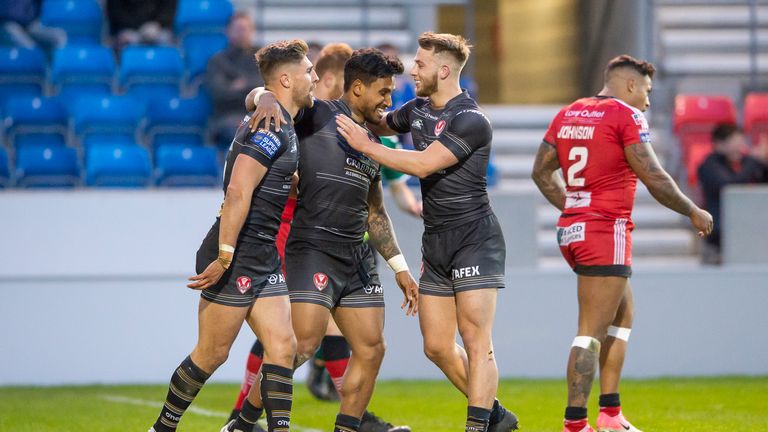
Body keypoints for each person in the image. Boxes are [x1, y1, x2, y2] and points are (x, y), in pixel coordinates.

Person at [227, 48, 419, 432]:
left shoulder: (371, 141)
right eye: (383, 92)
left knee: (372, 348)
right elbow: (273, 94)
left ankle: (347, 427)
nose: (388, 101)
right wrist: (259, 96)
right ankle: (243, 421)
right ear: (359, 87)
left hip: (358, 259)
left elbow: (375, 211)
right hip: (312, 250)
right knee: (300, 347)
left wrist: (400, 266)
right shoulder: (316, 113)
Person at [336, 32, 519, 432]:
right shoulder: (416, 109)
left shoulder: (471, 120)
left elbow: (422, 164)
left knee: (475, 340)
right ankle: (496, 415)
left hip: (474, 238)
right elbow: (374, 117)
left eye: (419, 64)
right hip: (436, 242)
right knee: (436, 346)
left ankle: (477, 426)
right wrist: (266, 96)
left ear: (443, 69)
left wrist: (367, 148)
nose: (412, 70)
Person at [530, 54, 713, 432]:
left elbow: (541, 172)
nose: (647, 101)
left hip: (575, 229)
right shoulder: (626, 116)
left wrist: (576, 207)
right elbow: (654, 176)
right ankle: (576, 423)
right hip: (604, 230)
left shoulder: (569, 113)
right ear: (630, 85)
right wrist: (693, 209)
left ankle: (610, 414)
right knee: (590, 331)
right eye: (646, 91)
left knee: (623, 314)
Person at [148, 39, 318, 432]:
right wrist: (225, 255)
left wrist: (284, 180)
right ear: (288, 79)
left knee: (284, 345)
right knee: (212, 354)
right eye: (309, 71)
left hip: (261, 252)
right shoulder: (272, 129)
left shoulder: (280, 120)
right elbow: (239, 190)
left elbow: (257, 101)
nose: (314, 77)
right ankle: (162, 428)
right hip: (236, 251)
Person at [697, 123, 768, 264]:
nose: (739, 150)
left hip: (746, 231)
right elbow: (729, 186)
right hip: (718, 236)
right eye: (734, 145)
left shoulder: (744, 163)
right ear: (719, 144)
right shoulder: (709, 165)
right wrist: (753, 161)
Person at [206, 11, 264, 148]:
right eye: (238, 29)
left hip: (260, 115)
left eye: (245, 29)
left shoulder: (264, 58)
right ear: (228, 31)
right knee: (244, 131)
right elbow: (220, 94)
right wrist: (252, 90)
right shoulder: (218, 61)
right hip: (228, 116)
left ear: (252, 31)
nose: (242, 33)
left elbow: (268, 87)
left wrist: (241, 85)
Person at [106, 0, 175, 53]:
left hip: (157, 29)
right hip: (126, 29)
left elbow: (168, 11)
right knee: (125, 41)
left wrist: (157, 24)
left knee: (166, 42)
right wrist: (140, 29)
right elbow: (115, 13)